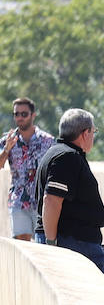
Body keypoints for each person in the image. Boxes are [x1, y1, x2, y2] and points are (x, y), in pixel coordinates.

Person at [35, 108, 104, 274]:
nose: (94, 136)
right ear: (85, 133)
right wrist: (52, 244)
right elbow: (52, 201)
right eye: (93, 131)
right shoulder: (66, 157)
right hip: (73, 243)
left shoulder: (59, 153)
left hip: (73, 243)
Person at [1, 96, 54, 240]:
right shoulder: (7, 140)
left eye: (24, 114)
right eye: (16, 114)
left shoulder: (47, 140)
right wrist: (6, 150)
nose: (20, 118)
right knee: (22, 245)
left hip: (42, 201)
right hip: (19, 200)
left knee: (42, 245)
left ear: (33, 115)